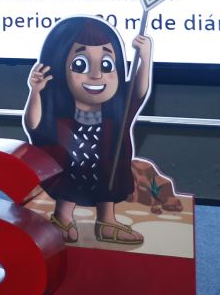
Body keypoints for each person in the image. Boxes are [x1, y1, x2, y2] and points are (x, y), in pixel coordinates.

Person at [22, 15, 153, 247]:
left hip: (105, 168)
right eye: (80, 64)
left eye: (106, 64)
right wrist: (36, 91)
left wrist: (145, 58)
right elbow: (34, 124)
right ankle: (62, 217)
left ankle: (107, 219)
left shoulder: (116, 113)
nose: (96, 75)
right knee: (66, 179)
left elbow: (137, 93)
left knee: (109, 177)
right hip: (71, 168)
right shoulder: (57, 112)